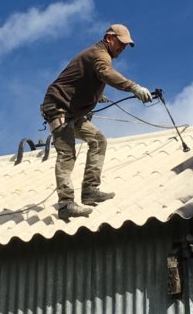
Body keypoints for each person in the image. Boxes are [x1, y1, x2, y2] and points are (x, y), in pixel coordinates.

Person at [40, 23, 153, 219]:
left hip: (72, 112)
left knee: (98, 140)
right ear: (110, 38)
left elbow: (82, 77)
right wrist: (133, 87)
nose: (122, 48)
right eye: (121, 43)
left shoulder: (98, 54)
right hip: (58, 107)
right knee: (67, 153)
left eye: (126, 45)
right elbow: (105, 73)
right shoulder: (100, 54)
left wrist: (95, 95)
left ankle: (90, 191)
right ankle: (66, 203)